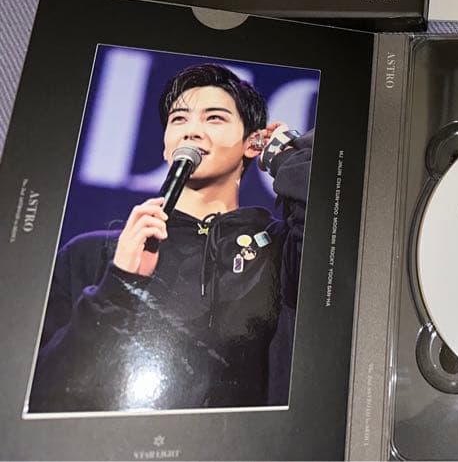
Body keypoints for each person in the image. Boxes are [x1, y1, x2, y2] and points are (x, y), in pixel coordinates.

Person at [28, 64, 311, 412]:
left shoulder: (280, 247)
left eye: (214, 118)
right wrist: (118, 284)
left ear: (252, 144)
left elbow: (335, 231)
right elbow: (40, 395)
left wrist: (287, 156)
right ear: (166, 147)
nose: (191, 131)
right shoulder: (93, 253)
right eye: (179, 119)